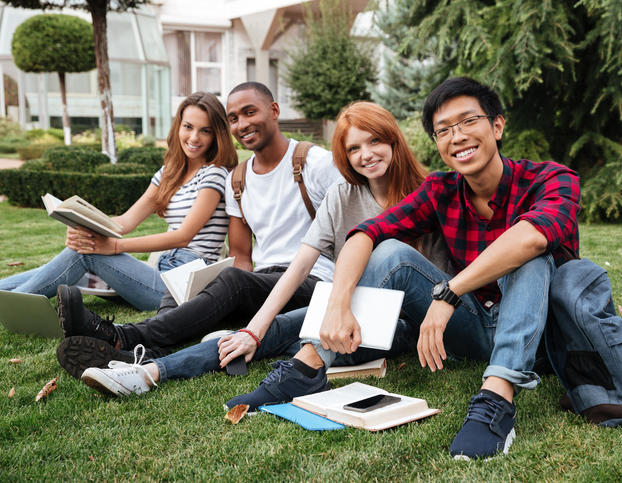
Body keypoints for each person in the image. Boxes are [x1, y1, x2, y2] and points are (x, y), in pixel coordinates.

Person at [224, 77, 581, 461]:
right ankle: (306, 368)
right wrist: (339, 304)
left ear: (497, 125)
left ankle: (496, 398)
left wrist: (449, 293)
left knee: (529, 255)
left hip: (538, 331)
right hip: (475, 326)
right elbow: (365, 233)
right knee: (389, 249)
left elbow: (532, 238)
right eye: (444, 130)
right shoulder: (439, 189)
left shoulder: (553, 178)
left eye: (467, 122)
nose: (457, 136)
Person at [74, 101, 451, 396]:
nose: (366, 155)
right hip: (343, 309)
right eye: (354, 148)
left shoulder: (429, 192)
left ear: (393, 140)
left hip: (406, 321)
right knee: (262, 333)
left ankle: (268, 345)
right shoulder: (342, 195)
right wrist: (254, 329)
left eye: (375, 141)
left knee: (286, 333)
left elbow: (447, 274)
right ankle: (146, 373)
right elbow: (301, 264)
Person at [55, 81, 341, 377]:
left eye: (250, 112)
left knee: (233, 282)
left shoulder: (315, 162)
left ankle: (121, 336)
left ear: (274, 110)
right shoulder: (238, 180)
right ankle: (138, 355)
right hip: (267, 286)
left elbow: (352, 235)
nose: (242, 124)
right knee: (202, 286)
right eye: (234, 118)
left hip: (314, 283)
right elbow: (241, 255)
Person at [0, 92, 237, 311]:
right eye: (188, 127)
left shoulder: (214, 174)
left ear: (217, 135)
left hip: (182, 286)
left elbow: (183, 236)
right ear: (178, 127)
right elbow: (125, 222)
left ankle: (14, 307)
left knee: (88, 253)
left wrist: (115, 246)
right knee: (83, 248)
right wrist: (86, 229)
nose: (194, 137)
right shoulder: (169, 173)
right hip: (161, 272)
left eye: (205, 130)